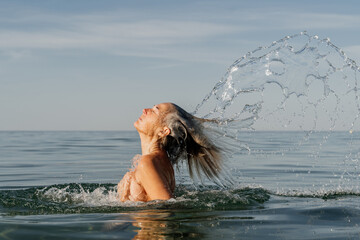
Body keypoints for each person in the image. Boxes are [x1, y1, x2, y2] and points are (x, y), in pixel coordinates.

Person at [117, 103, 223, 202]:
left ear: (163, 131)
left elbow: (165, 208)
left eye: (154, 111)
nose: (145, 110)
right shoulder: (158, 160)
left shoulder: (148, 162)